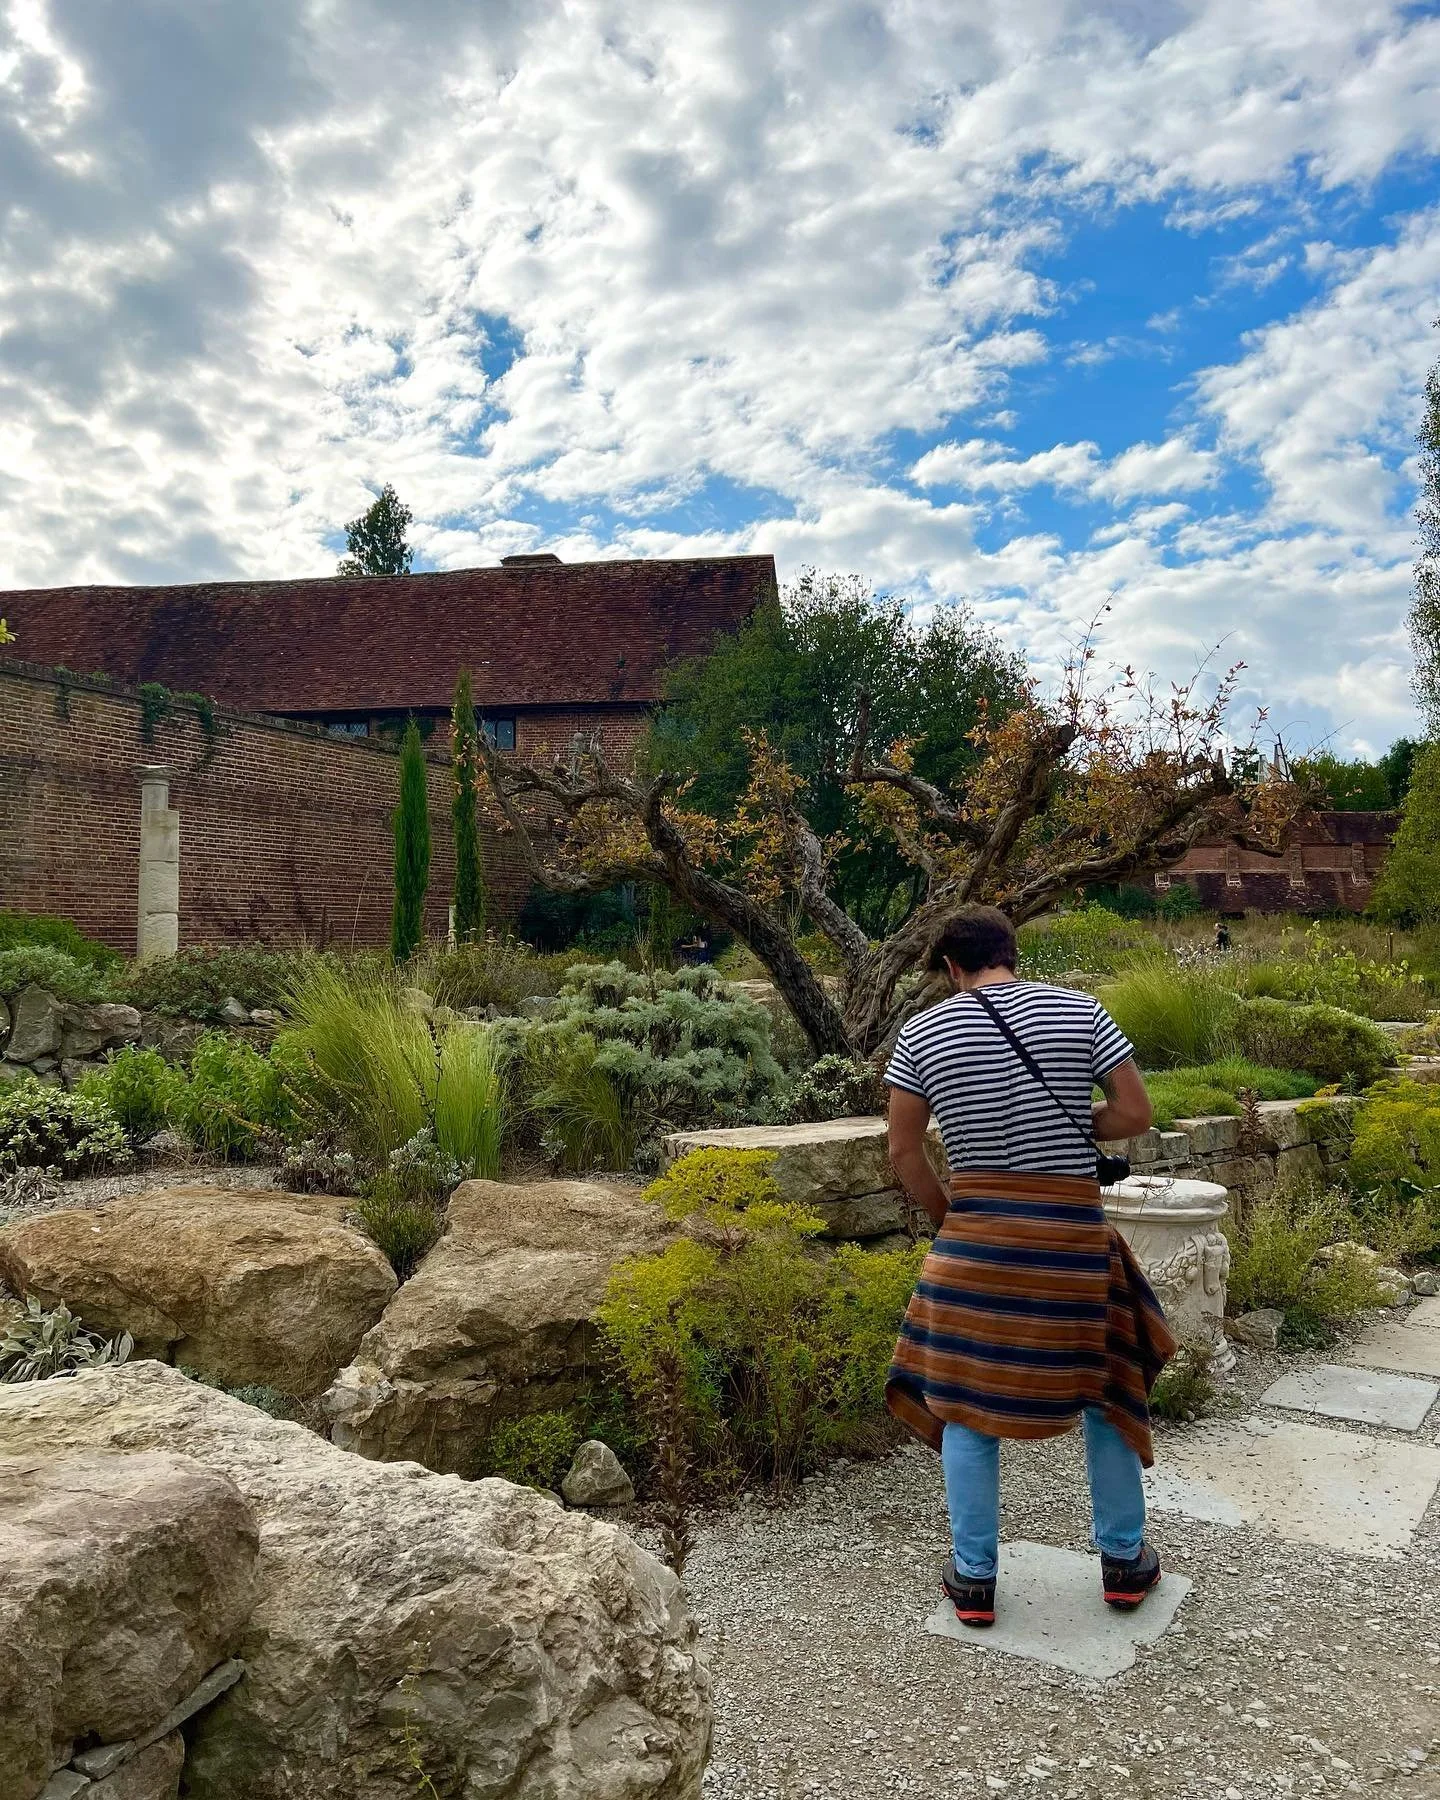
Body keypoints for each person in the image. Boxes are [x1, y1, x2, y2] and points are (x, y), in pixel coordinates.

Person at [884, 904, 1176, 1630]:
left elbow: (903, 1152)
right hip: (1071, 1242)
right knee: (1107, 1390)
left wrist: (952, 1219)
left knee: (963, 1399)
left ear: (951, 966)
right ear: (1012, 953)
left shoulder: (923, 1032)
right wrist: (1075, 1126)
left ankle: (974, 1580)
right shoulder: (1081, 1011)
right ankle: (1124, 1564)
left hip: (975, 1241)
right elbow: (1134, 1114)